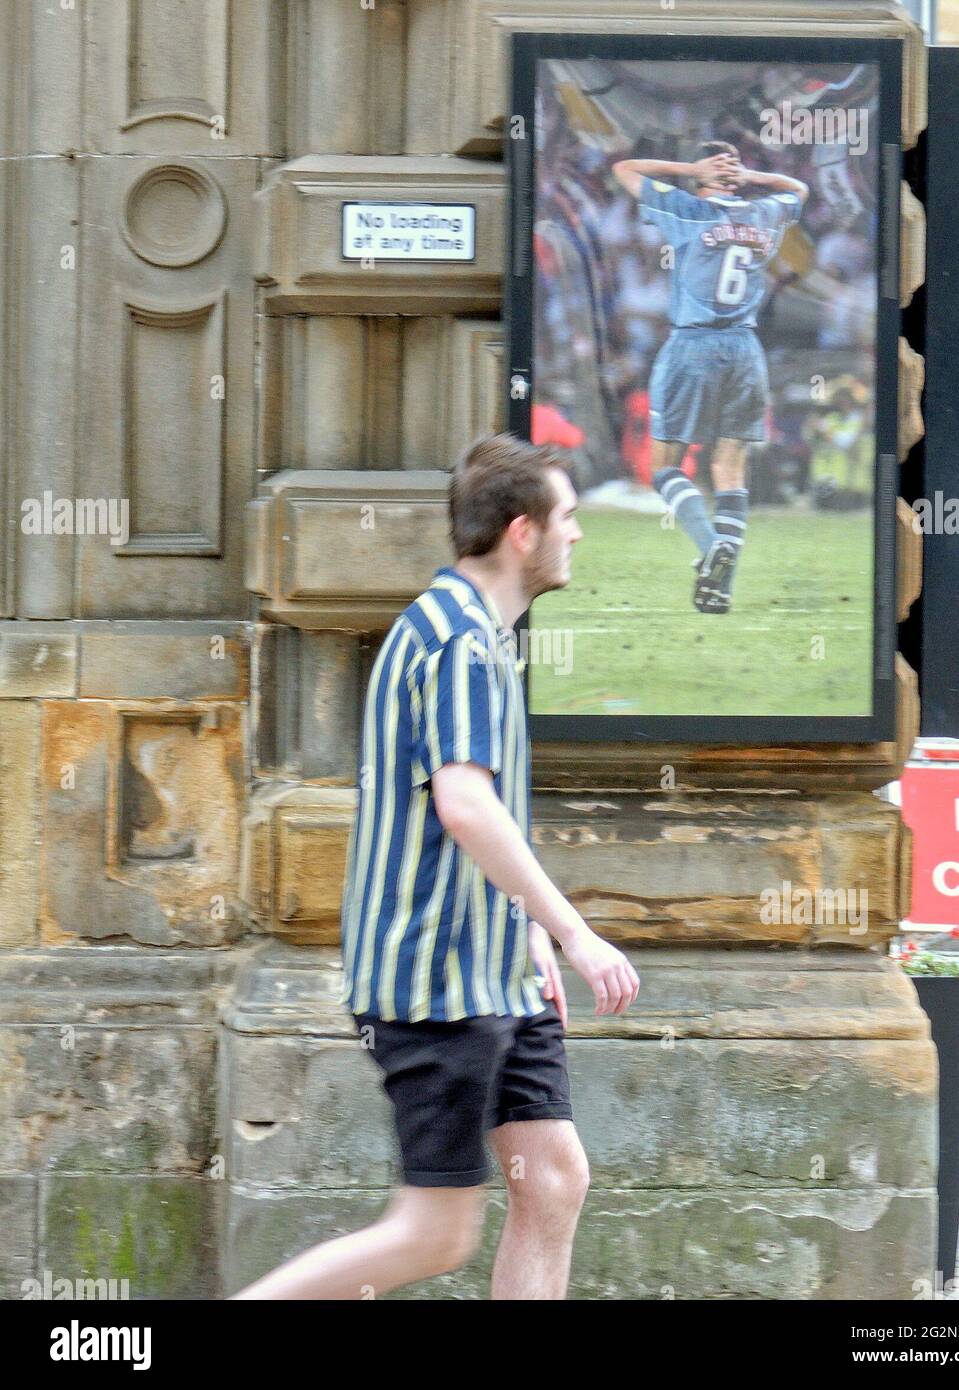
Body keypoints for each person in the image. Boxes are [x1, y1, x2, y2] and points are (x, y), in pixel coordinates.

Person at [233, 433, 640, 1301]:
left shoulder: (466, 630)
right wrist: (572, 933)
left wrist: (523, 928)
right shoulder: (458, 642)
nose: (579, 535)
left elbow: (455, 818)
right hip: (436, 985)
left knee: (555, 1179)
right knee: (433, 1232)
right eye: (568, 518)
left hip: (491, 973)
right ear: (522, 532)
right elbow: (463, 804)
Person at [612, 141, 809, 613]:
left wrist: (688, 168)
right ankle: (719, 588)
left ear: (702, 181)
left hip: (693, 345)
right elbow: (799, 187)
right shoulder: (764, 215)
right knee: (729, 467)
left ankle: (709, 546)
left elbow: (624, 168)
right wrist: (753, 177)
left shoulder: (688, 210)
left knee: (665, 467)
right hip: (745, 349)